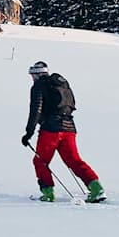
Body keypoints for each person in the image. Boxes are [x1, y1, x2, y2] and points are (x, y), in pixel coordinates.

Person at [21, 61, 106, 202]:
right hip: (69, 128)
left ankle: (48, 193)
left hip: (50, 129)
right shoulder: (61, 84)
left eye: (33, 75)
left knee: (40, 161)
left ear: (37, 74)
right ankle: (96, 188)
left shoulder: (39, 86)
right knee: (74, 161)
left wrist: (28, 133)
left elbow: (35, 110)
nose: (32, 78)